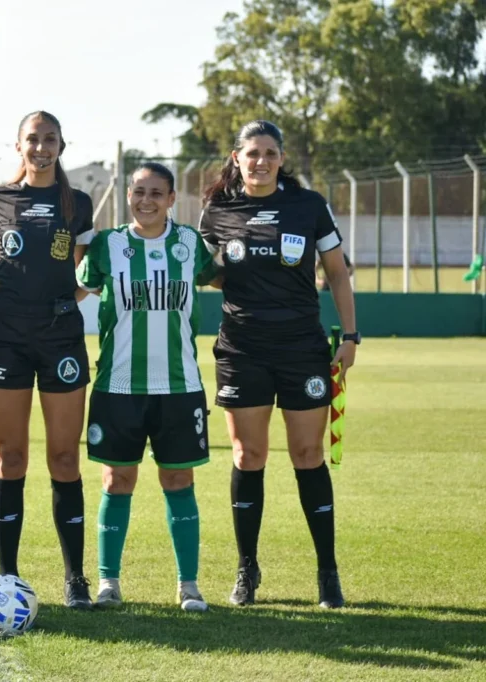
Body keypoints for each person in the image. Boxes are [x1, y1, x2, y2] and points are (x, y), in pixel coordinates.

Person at [199, 120, 357, 609]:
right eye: (253, 153)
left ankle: (327, 573)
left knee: (308, 454)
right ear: (237, 157)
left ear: (282, 158)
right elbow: (204, 271)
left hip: (301, 349)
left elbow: (337, 272)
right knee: (248, 456)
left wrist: (351, 336)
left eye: (270, 153)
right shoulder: (218, 210)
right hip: (242, 350)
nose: (261, 161)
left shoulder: (308, 206)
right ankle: (247, 569)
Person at [76, 162, 220, 611]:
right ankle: (108, 583)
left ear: (172, 199)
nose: (147, 200)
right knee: (117, 479)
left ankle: (188, 585)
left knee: (179, 479)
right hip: (118, 385)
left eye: (157, 193)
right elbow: (76, 291)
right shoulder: (106, 246)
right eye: (139, 192)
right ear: (128, 196)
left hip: (179, 385)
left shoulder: (190, 244)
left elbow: (224, 281)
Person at [0, 111, 96, 609]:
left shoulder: (78, 204)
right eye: (32, 139)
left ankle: (75, 578)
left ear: (62, 146)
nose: (41, 148)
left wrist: (59, 305)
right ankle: (7, 577)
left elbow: (86, 274)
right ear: (18, 145)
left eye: (49, 140)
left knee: (64, 458)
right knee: (11, 456)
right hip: (7, 338)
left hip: (61, 339)